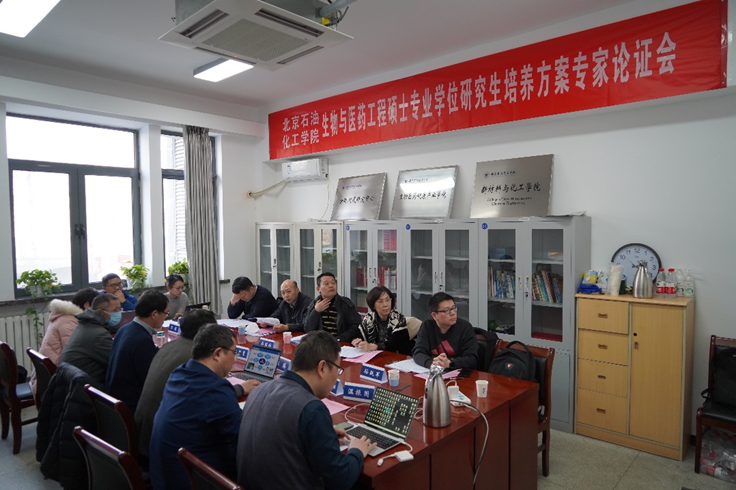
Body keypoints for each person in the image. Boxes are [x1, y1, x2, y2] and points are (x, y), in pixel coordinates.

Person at [237, 331, 376, 490]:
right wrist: (356, 452)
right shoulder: (312, 409)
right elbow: (340, 480)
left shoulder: (259, 390)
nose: (336, 378)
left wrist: (321, 435)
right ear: (322, 367)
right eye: (337, 370)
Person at [149, 324, 259, 490]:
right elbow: (244, 443)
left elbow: (204, 397)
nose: (235, 359)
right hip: (191, 481)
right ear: (217, 354)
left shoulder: (179, 373)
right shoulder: (216, 392)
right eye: (234, 352)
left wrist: (239, 389)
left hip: (162, 477)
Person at [135, 308, 216, 461]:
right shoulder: (195, 356)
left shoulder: (168, 346)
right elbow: (209, 394)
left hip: (144, 432)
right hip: (162, 444)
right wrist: (239, 388)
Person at [105, 290, 168, 414]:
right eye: (166, 313)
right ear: (154, 314)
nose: (166, 317)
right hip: (132, 407)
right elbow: (152, 381)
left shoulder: (124, 329)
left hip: (114, 402)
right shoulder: (142, 340)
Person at [30, 287, 100, 395]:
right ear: (87, 305)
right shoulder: (69, 321)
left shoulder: (68, 317)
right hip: (55, 379)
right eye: (97, 307)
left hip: (52, 373)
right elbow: (74, 356)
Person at [58, 293, 122, 384]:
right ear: (100, 312)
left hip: (72, 382)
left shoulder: (85, 324)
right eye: (115, 310)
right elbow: (118, 361)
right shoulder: (98, 334)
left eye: (120, 309)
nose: (119, 313)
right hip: (86, 386)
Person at [412, 292, 479, 369]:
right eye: (446, 310)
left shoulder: (465, 328)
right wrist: (432, 364)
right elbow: (418, 352)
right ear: (434, 315)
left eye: (453, 308)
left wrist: (450, 363)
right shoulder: (427, 326)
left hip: (459, 372)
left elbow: (472, 358)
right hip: (435, 371)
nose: (452, 313)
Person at [350, 285, 412, 355]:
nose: (385, 305)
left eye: (387, 300)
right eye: (380, 301)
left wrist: (373, 346)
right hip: (374, 356)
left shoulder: (398, 318)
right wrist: (355, 340)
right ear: (373, 305)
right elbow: (356, 334)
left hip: (397, 357)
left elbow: (394, 344)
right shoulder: (369, 319)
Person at [303, 272, 362, 342]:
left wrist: (340, 339)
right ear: (318, 289)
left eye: (333, 283)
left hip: (341, 342)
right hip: (320, 343)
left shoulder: (346, 304)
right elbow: (308, 329)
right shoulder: (314, 304)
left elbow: (356, 326)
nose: (331, 286)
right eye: (326, 284)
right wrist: (316, 311)